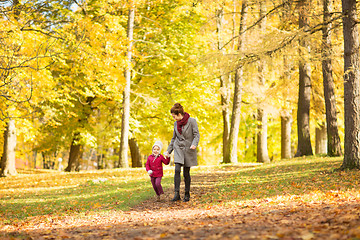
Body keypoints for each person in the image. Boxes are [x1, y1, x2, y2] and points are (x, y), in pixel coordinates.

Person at [164, 103, 200, 202]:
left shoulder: (192, 121)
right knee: (177, 170)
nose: (173, 118)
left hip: (189, 149)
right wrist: (168, 151)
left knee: (186, 173)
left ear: (179, 114)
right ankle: (176, 194)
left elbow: (196, 135)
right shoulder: (176, 124)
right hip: (178, 149)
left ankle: (187, 194)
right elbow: (174, 138)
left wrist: (194, 144)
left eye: (174, 116)